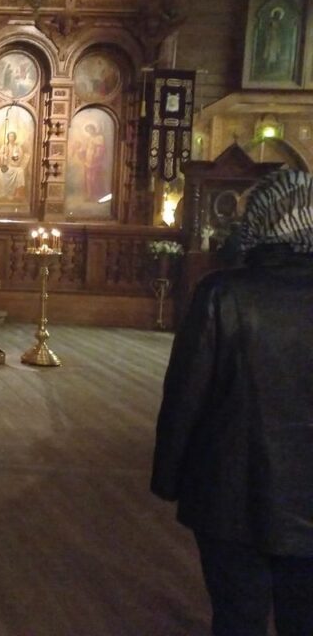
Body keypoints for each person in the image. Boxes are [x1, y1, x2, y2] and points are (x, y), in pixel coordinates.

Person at [151, 168, 313, 636]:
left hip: (229, 492)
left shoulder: (223, 294)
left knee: (238, 616)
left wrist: (168, 476)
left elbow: (186, 395)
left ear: (259, 223)